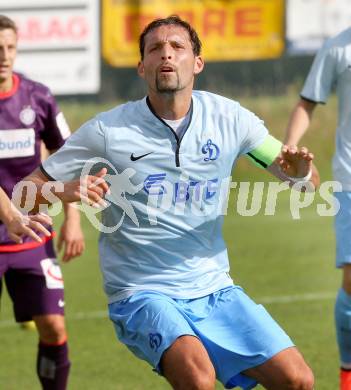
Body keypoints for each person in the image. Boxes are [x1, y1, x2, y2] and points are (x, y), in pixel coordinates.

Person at [22, 16, 318, 389]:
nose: (167, 55)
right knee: (197, 377)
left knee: (299, 380)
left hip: (214, 288)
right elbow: (23, 193)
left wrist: (302, 174)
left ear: (197, 63)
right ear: (142, 66)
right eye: (155, 49)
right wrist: (62, 192)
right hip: (141, 292)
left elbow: (306, 185)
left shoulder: (231, 119)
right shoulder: (107, 131)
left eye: (178, 47)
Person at [0, 15, 85, 390]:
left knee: (53, 327)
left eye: (10, 48)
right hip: (8, 226)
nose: (4, 56)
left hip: (32, 234)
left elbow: (67, 158)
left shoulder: (38, 97)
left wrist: (73, 219)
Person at [285, 26, 351, 390]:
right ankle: (347, 372)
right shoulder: (338, 47)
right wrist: (290, 145)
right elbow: (307, 102)